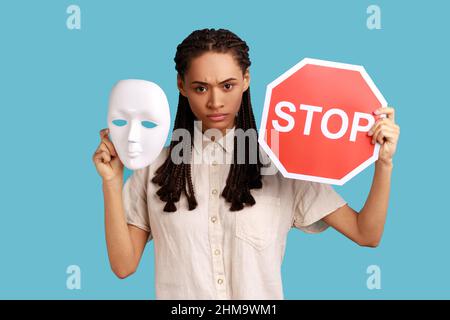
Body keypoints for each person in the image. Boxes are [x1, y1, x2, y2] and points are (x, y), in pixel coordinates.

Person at [92, 28, 400, 299]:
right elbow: (123, 265)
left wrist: (383, 164)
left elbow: (366, 233)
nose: (215, 102)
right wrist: (111, 181)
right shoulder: (153, 167)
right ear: (181, 85)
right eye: (200, 87)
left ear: (246, 80)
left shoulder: (282, 161)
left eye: (227, 86)